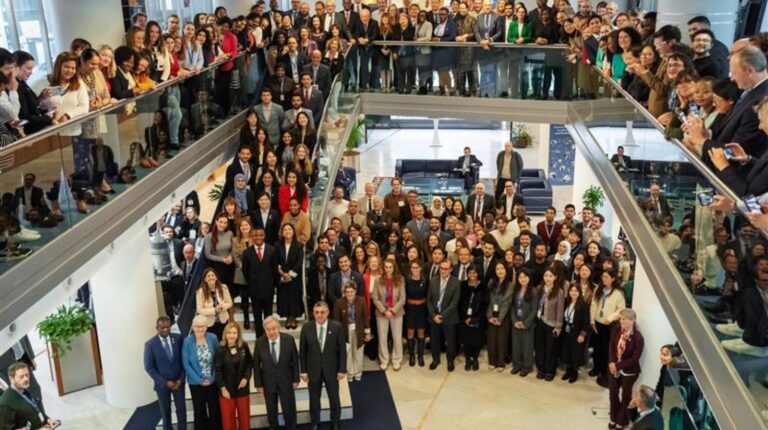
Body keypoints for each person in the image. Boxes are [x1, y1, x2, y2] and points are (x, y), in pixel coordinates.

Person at [300, 301, 347, 430]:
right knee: (314, 399)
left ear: (327, 313)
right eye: (316, 312)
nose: (319, 315)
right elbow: (302, 351)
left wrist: (342, 369)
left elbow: (342, 350)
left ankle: (335, 422)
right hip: (313, 370)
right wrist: (303, 371)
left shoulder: (337, 327)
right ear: (313, 314)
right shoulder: (306, 327)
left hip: (332, 370)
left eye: (322, 312)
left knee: (334, 399)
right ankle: (315, 422)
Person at [253, 316, 300, 430]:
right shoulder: (259, 342)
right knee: (271, 410)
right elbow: (256, 365)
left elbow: (295, 361)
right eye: (268, 329)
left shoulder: (289, 340)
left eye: (274, 328)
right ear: (265, 330)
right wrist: (258, 384)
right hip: (268, 382)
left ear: (279, 328)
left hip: (286, 380)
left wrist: (296, 379)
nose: (271, 332)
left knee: (289, 409)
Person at [144, 316, 186, 430]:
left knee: (181, 410)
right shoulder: (150, 345)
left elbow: (184, 361)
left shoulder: (178, 339)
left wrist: (180, 380)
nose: (165, 330)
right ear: (157, 328)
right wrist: (165, 382)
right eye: (162, 328)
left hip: (178, 383)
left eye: (168, 327)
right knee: (165, 412)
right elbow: (149, 367)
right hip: (162, 385)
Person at [182, 315, 222, 430]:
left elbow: (218, 360)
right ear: (193, 327)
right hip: (195, 383)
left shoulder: (213, 338)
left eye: (202, 326)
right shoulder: (187, 341)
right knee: (199, 411)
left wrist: (213, 377)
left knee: (215, 409)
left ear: (207, 326)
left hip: (212, 381)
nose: (200, 329)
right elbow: (186, 364)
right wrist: (199, 380)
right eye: (197, 327)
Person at [608, 308, 645, 429]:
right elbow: (612, 347)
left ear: (632, 320)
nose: (621, 321)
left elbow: (634, 359)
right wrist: (612, 362)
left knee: (625, 396)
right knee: (613, 393)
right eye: (620, 319)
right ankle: (613, 417)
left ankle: (621, 421)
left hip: (629, 372)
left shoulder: (638, 338)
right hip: (614, 368)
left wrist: (618, 366)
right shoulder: (617, 330)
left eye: (624, 319)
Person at [591, 269, 626, 387]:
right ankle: (596, 368)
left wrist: (610, 318)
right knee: (597, 348)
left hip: (609, 325)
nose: (604, 279)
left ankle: (604, 372)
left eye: (606, 277)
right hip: (597, 322)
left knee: (606, 349)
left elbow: (621, 310)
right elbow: (594, 304)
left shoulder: (618, 293)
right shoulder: (599, 289)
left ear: (613, 278)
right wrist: (592, 320)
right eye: (603, 277)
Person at [215, 322, 253, 430]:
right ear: (225, 334)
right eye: (229, 333)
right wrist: (223, 388)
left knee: (244, 420)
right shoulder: (220, 349)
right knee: (228, 421)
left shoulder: (243, 346)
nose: (232, 335)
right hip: (227, 390)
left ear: (238, 334)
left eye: (234, 333)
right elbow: (218, 371)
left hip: (242, 389)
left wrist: (246, 378)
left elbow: (250, 363)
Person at [0, 362, 60, 430]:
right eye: (21, 376)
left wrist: (47, 419)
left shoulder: (27, 388)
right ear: (11, 378)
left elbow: (35, 409)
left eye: (27, 375)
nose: (26, 379)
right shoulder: (5, 403)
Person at [333, 281, 372, 381]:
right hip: (345, 332)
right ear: (344, 292)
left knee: (358, 352)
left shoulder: (361, 301)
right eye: (347, 291)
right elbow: (336, 321)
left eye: (351, 291)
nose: (349, 294)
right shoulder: (339, 303)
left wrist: (367, 332)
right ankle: (350, 373)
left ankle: (358, 372)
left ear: (355, 291)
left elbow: (365, 317)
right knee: (348, 352)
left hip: (359, 331)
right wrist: (337, 335)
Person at [242, 227, 277, 335]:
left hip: (268, 288)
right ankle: (259, 337)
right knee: (257, 315)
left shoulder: (272, 250)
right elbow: (245, 270)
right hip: (254, 289)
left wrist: (272, 284)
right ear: (252, 236)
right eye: (256, 235)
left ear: (264, 236)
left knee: (268, 315)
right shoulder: (247, 252)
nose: (258, 237)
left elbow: (274, 269)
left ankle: (269, 335)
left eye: (261, 235)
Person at [372, 259, 406, 370]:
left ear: (394, 267)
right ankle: (384, 360)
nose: (388, 269)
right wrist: (384, 311)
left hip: (396, 313)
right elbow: (375, 298)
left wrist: (392, 311)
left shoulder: (400, 279)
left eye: (390, 267)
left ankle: (397, 359)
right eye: (386, 267)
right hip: (382, 313)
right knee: (382, 337)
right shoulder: (378, 280)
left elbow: (402, 299)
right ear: (383, 267)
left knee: (397, 337)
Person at [427, 259, 461, 371]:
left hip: (449, 318)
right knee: (434, 340)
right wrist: (434, 316)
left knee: (450, 342)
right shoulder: (432, 281)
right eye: (441, 268)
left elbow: (454, 303)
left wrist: (441, 316)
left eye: (446, 269)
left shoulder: (456, 282)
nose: (443, 271)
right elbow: (429, 301)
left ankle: (450, 361)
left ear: (451, 269)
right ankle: (435, 359)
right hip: (434, 317)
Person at [277, 223, 304, 329]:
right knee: (284, 296)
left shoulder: (299, 245)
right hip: (282, 276)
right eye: (285, 230)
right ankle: (288, 317)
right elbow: (276, 261)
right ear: (282, 233)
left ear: (293, 232)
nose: (287, 231)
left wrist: (290, 274)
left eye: (289, 229)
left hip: (294, 276)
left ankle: (293, 317)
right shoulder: (277, 245)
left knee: (294, 296)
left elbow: (299, 262)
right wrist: (282, 273)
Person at [561, 284, 590, 383]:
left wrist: (582, 334)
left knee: (576, 353)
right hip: (566, 331)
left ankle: (574, 372)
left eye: (576, 291)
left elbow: (586, 322)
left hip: (577, 332)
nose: (573, 293)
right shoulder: (567, 302)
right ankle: (568, 370)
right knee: (567, 352)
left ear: (579, 292)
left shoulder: (583, 305)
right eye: (571, 290)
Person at [485, 262, 511, 371]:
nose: (500, 271)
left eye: (502, 268)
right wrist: (490, 316)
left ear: (506, 270)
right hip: (492, 314)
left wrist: (499, 318)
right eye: (497, 269)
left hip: (503, 316)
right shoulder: (491, 282)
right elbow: (489, 301)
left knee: (501, 340)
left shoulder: (510, 284)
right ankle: (492, 361)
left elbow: (507, 302)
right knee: (491, 339)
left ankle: (501, 362)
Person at [196, 268, 234, 340]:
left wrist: (222, 307)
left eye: (213, 275)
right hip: (209, 324)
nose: (211, 277)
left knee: (223, 343)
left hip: (223, 321)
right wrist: (214, 310)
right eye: (208, 276)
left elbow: (230, 303)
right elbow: (199, 309)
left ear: (216, 277)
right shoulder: (200, 292)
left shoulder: (223, 287)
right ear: (205, 279)